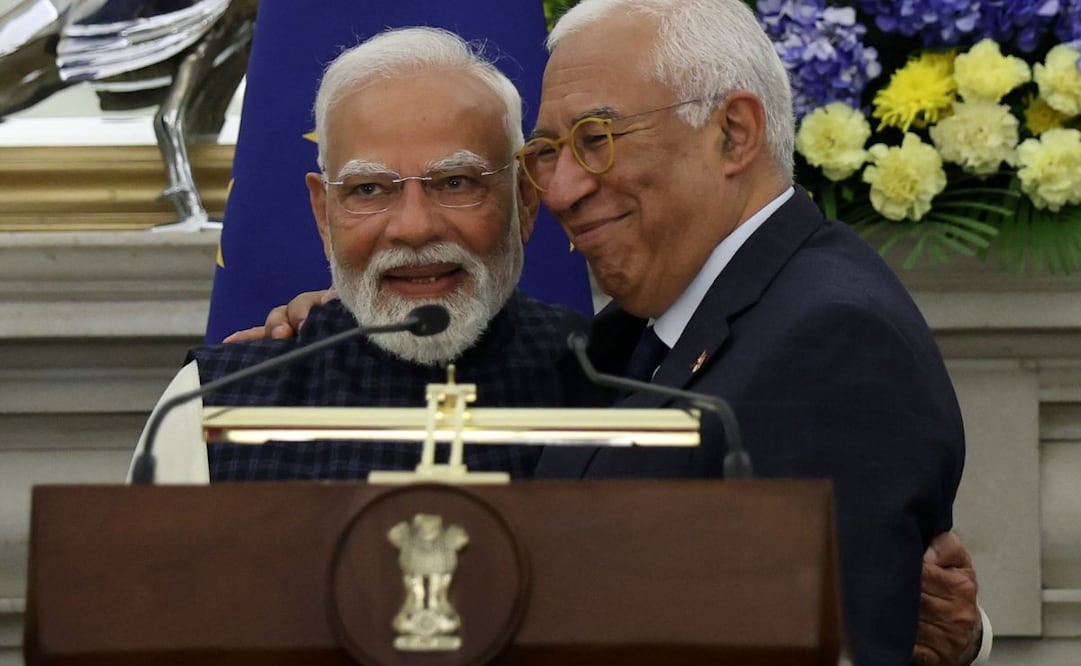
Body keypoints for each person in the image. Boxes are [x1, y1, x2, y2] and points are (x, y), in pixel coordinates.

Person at [220, 6, 993, 663]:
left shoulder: (827, 337)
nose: (559, 189)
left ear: (732, 132)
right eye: (549, 153)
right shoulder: (651, 332)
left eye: (596, 138)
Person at [130, 26, 603, 482]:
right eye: (370, 189)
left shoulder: (608, 376)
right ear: (323, 212)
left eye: (456, 182)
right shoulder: (215, 403)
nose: (415, 228)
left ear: (523, 198)